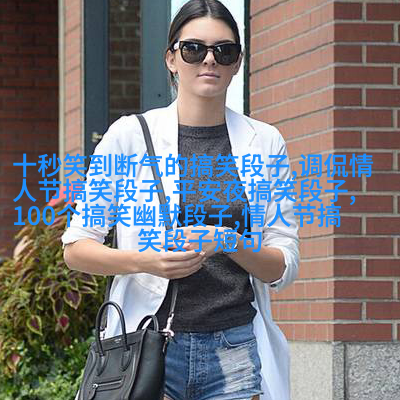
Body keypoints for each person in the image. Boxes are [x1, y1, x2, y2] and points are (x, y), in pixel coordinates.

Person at [62, 1, 299, 399]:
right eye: (193, 49)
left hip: (234, 346)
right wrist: (146, 261)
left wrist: (228, 241)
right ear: (171, 59)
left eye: (224, 51)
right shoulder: (129, 136)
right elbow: (77, 249)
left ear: (237, 63)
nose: (209, 60)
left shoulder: (265, 141)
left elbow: (283, 265)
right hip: (149, 346)